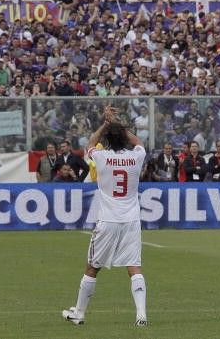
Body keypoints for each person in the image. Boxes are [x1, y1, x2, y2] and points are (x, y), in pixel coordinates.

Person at [62, 106, 148, 327]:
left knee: (92, 267)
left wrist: (106, 124)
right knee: (134, 266)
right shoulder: (136, 156)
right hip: (131, 221)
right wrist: (118, 125)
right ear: (124, 140)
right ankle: (141, 314)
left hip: (108, 220)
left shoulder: (101, 156)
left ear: (107, 141)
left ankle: (79, 314)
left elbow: (89, 144)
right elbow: (138, 142)